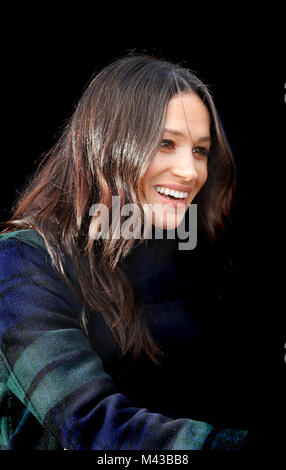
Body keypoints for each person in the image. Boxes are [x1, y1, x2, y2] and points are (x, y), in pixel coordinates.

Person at [0, 54, 251, 450]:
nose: (190, 171)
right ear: (109, 142)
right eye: (166, 143)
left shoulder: (180, 258)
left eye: (200, 150)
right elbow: (93, 427)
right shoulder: (22, 264)